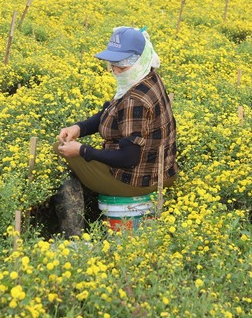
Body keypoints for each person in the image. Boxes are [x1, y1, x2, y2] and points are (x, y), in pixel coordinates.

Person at [54, 26, 179, 236]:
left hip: (139, 180)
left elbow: (128, 158)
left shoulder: (135, 100)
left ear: (139, 60)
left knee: (58, 149)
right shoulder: (145, 76)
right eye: (112, 63)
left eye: (122, 64)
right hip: (159, 171)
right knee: (68, 147)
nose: (116, 70)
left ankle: (73, 235)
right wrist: (80, 128)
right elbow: (111, 113)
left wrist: (82, 151)